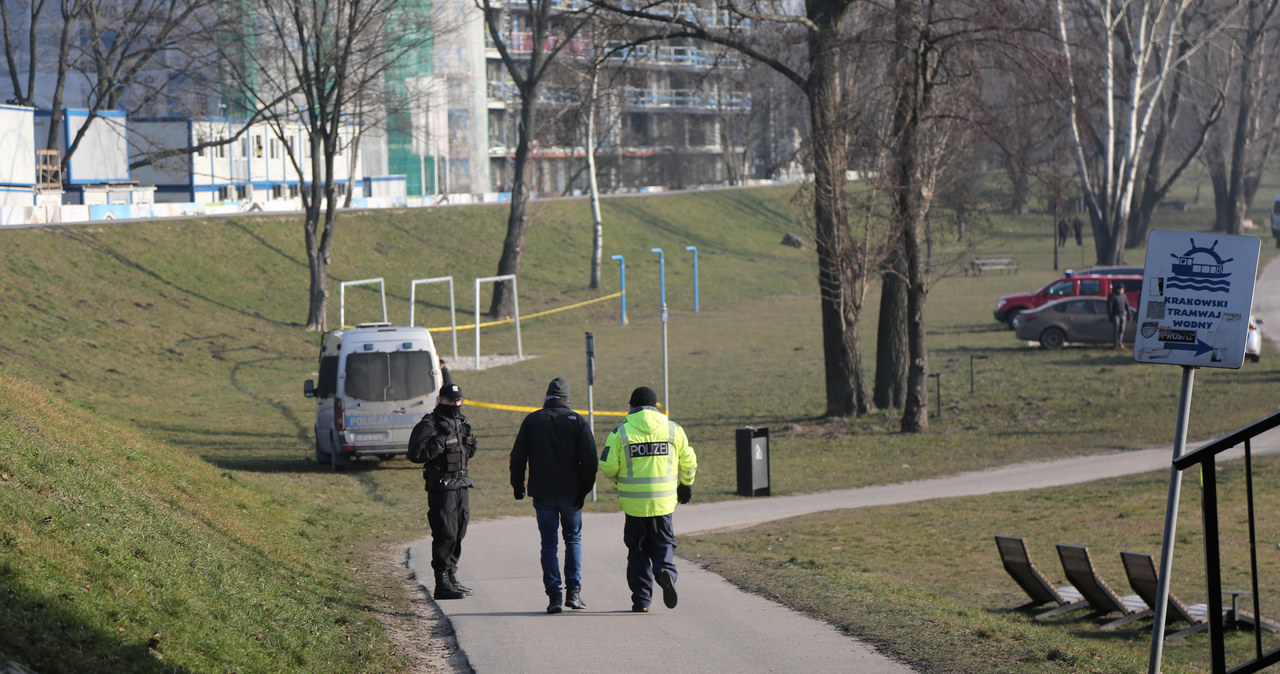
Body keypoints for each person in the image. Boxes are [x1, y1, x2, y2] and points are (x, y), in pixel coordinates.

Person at [599, 386, 697, 613]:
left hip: (634, 506)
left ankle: (641, 601)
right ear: (655, 406)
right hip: (663, 504)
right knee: (663, 544)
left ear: (631, 406)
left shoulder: (620, 432)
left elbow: (607, 466)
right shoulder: (673, 430)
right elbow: (689, 461)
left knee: (637, 552)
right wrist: (686, 484)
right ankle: (665, 572)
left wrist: (618, 480)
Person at [509, 377, 598, 614]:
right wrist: (584, 491)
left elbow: (517, 458)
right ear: (567, 399)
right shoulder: (576, 420)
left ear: (547, 396)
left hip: (543, 493)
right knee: (573, 540)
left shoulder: (532, 420)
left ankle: (554, 596)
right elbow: (590, 461)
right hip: (571, 494)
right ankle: (574, 593)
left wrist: (517, 487)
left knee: (548, 544)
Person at [408, 383, 479, 600]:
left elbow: (464, 453)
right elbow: (415, 454)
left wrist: (471, 444)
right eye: (451, 401)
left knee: (459, 532)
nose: (455, 405)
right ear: (441, 400)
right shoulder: (429, 424)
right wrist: (439, 443)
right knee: (445, 533)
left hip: (461, 484)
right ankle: (441, 583)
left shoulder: (461, 422)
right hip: (441, 486)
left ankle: (452, 577)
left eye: (459, 401)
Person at [1107, 285, 1128, 349]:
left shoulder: (1124, 296)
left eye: (1122, 289)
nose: (1121, 290)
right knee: (1116, 330)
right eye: (1120, 289)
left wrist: (1128, 314)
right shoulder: (1112, 296)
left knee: (1122, 330)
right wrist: (1110, 316)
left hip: (1123, 315)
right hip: (1115, 315)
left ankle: (1120, 343)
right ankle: (1116, 345)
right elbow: (1109, 307)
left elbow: (1126, 305)